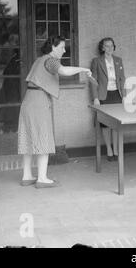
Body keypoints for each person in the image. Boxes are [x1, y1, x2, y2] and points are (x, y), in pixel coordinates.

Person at [18, 36, 92, 188]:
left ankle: (27, 176)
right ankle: (42, 179)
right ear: (53, 46)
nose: (64, 50)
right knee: (43, 138)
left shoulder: (39, 60)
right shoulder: (50, 60)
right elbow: (64, 71)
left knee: (29, 138)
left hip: (28, 101)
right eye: (62, 47)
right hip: (39, 102)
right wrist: (83, 69)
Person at [90, 37, 126, 161]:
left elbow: (122, 79)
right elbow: (93, 81)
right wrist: (95, 98)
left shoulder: (118, 60)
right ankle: (109, 151)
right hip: (103, 95)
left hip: (116, 94)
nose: (109, 48)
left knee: (116, 124)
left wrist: (124, 96)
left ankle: (116, 150)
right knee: (105, 125)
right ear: (102, 47)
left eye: (111, 46)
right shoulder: (96, 61)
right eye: (106, 46)